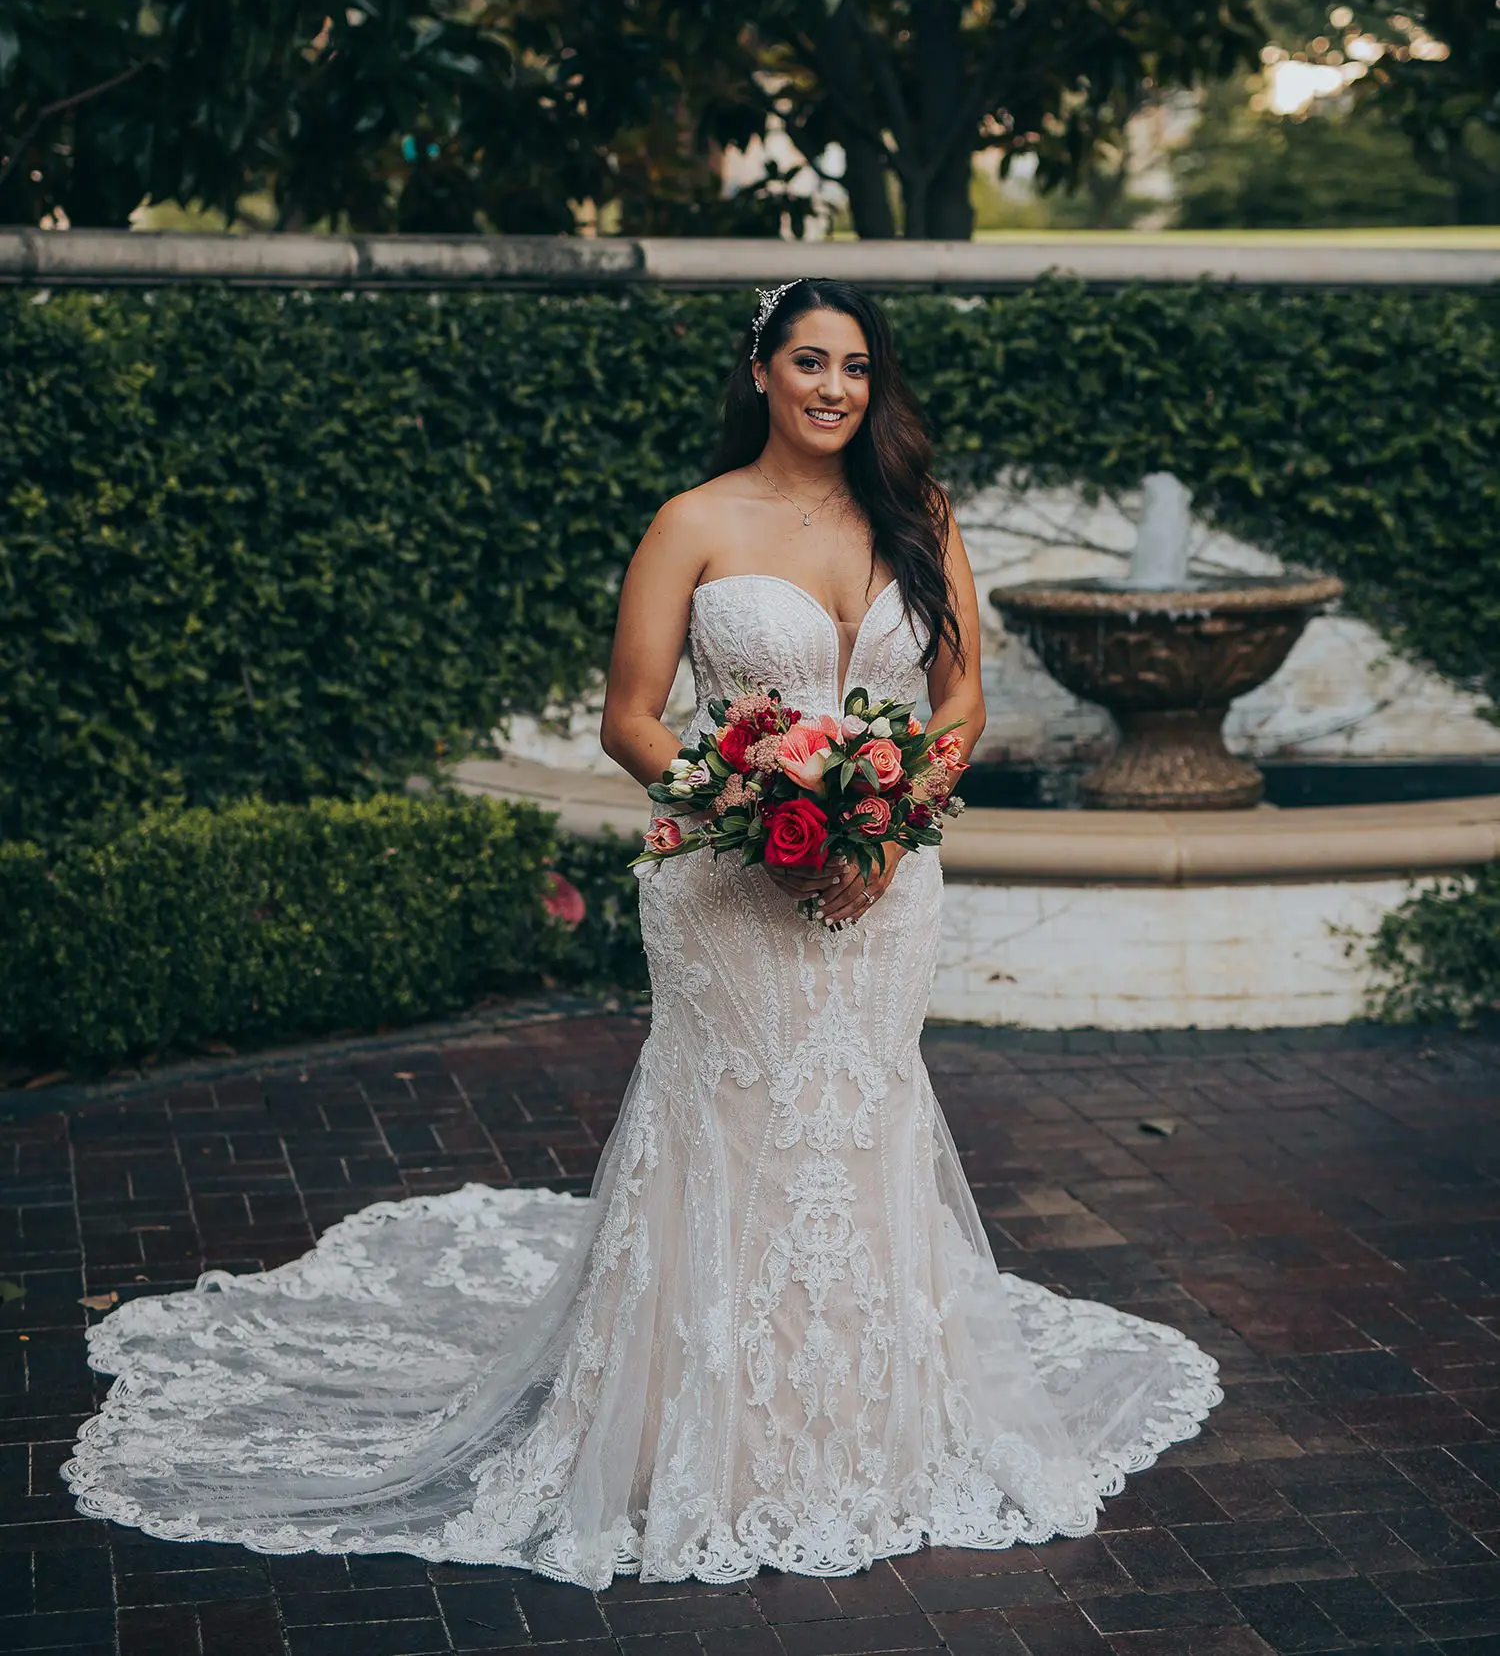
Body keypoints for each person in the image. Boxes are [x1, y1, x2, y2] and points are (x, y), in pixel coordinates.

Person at [62, 277, 1220, 1587]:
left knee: (857, 1116)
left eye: (855, 366)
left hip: (888, 891)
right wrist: (746, 806)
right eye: (809, 362)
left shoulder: (919, 518)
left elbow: (957, 703)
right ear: (762, 370)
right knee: (738, 1127)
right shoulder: (693, 520)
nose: (835, 387)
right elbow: (633, 714)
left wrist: (886, 827)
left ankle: (864, 1418)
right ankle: (705, 1433)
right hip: (729, 884)